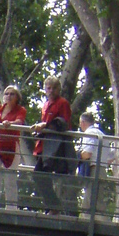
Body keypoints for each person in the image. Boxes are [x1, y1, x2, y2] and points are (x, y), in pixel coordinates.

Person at [32, 74, 74, 214]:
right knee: (40, 175)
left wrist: (46, 125)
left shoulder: (63, 103)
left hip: (55, 147)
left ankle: (54, 207)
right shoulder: (45, 104)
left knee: (40, 175)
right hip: (45, 146)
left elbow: (64, 123)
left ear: (58, 89)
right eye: (48, 88)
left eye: (53, 88)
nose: (50, 91)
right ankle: (53, 206)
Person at [77, 110, 107, 181]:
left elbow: (87, 153)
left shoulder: (89, 133)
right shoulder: (101, 133)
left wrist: (77, 156)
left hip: (94, 171)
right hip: (102, 170)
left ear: (83, 122)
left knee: (91, 191)